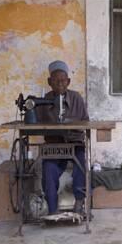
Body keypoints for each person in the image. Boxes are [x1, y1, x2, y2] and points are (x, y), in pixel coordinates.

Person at [37, 60, 89, 215]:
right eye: (55, 80)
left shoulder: (76, 98)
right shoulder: (44, 101)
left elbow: (85, 121)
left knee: (81, 164)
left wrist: (71, 125)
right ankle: (52, 210)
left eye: (63, 80)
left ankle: (79, 203)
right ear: (49, 82)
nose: (60, 84)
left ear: (68, 82)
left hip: (75, 144)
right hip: (54, 146)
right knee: (49, 168)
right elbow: (37, 125)